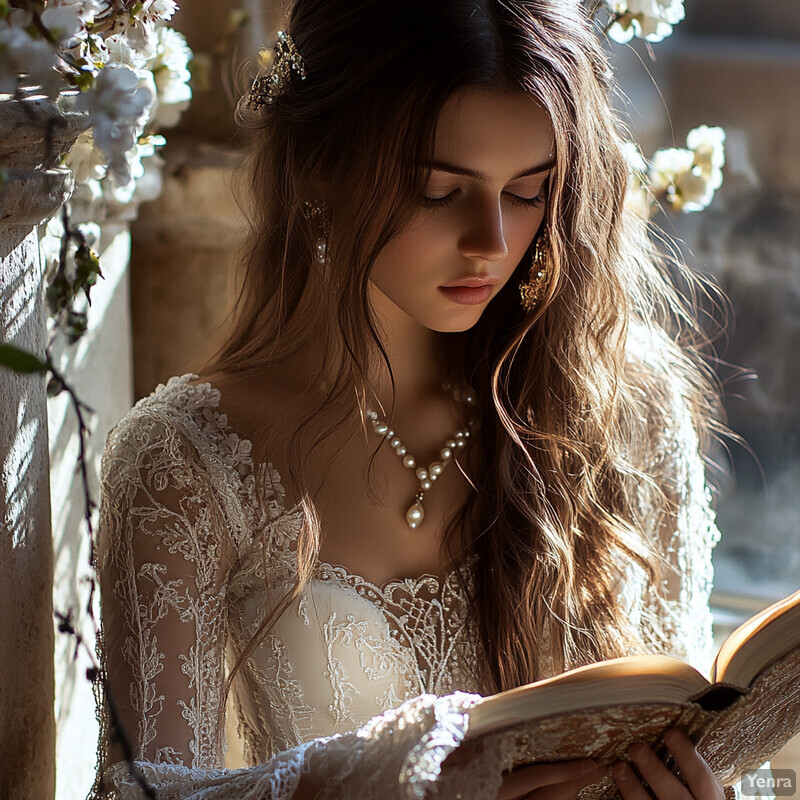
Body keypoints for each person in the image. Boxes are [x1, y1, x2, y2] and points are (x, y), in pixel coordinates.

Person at [90, 0, 747, 798]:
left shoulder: (625, 404)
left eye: (529, 191)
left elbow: (698, 729)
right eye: (440, 191)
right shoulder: (186, 464)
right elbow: (142, 793)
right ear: (320, 165)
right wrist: (400, 786)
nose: (493, 244)